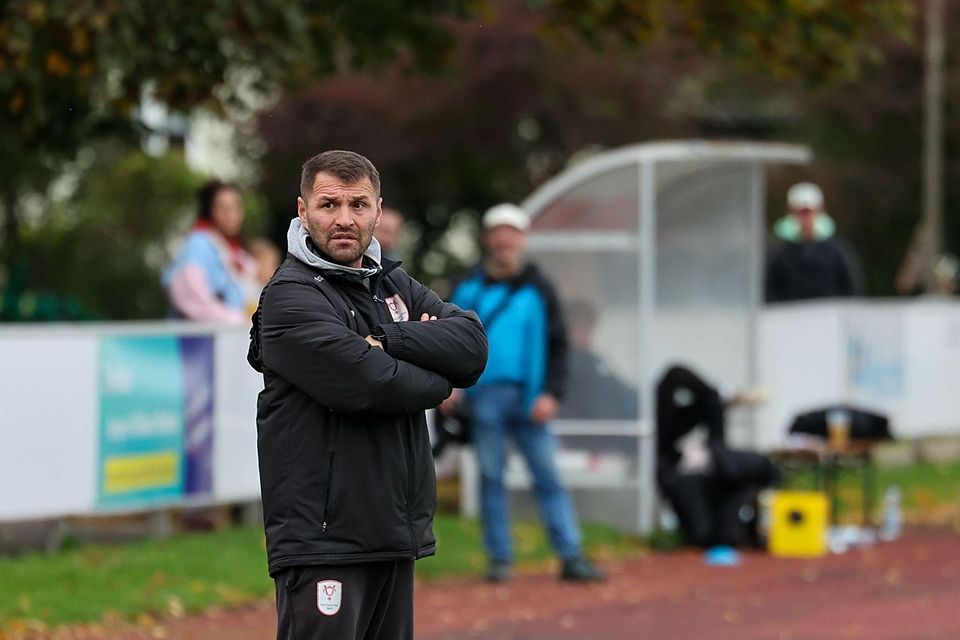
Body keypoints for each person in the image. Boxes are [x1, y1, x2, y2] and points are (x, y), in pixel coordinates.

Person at [247, 150, 488, 640]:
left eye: (358, 205)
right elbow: (371, 384)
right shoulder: (290, 295)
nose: (344, 219)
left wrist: (391, 340)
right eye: (328, 204)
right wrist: (435, 378)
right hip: (325, 541)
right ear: (302, 210)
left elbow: (471, 347)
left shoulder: (391, 282)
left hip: (392, 532)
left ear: (378, 211)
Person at [443, 203, 604, 583]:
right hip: (482, 396)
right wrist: (450, 383)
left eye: (511, 233)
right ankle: (500, 558)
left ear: (522, 239)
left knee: (548, 476)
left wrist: (551, 392)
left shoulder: (540, 290)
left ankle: (570, 554)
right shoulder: (468, 287)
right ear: (488, 239)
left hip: (531, 399)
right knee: (491, 477)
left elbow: (559, 345)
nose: (504, 240)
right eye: (498, 232)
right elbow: (446, 339)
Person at [163, 180, 258, 323]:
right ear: (210, 210)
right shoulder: (197, 244)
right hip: (201, 340)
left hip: (234, 338)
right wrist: (239, 319)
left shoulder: (238, 252)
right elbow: (192, 299)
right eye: (223, 208)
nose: (231, 214)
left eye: (235, 207)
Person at [765, 182, 864, 303]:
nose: (806, 218)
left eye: (810, 212)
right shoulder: (777, 253)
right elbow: (768, 290)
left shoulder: (838, 250)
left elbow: (852, 288)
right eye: (801, 212)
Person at [556, 298, 638, 420]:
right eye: (581, 328)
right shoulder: (558, 366)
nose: (587, 335)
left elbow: (623, 394)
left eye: (589, 329)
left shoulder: (597, 364)